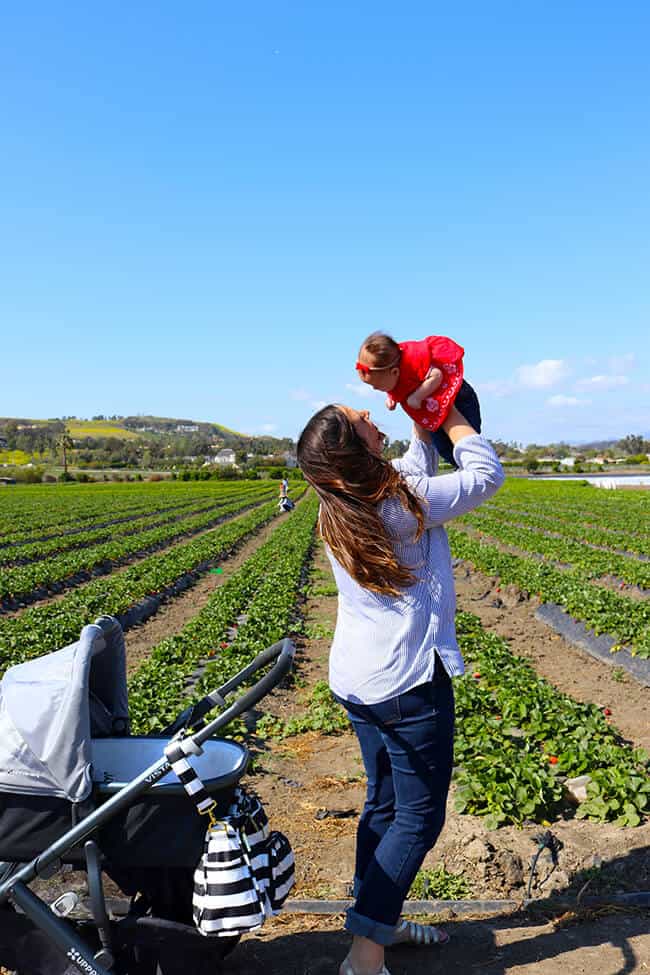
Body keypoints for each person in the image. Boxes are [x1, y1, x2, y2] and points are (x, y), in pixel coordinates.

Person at [296, 403, 503, 975]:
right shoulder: (399, 505)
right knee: (418, 817)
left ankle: (377, 923)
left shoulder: (343, 501)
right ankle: (365, 957)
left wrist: (421, 423)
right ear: (355, 449)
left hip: (360, 679)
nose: (366, 409)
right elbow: (486, 476)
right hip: (408, 681)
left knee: (385, 804)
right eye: (355, 415)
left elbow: (412, 467)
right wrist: (455, 417)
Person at [355, 331, 482, 467]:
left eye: (377, 386)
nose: (374, 389)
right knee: (443, 447)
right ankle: (460, 468)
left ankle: (472, 465)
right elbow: (394, 385)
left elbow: (436, 375)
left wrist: (418, 396)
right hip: (433, 408)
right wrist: (392, 396)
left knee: (468, 442)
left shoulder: (414, 363)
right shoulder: (391, 373)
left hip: (456, 397)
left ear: (395, 372)